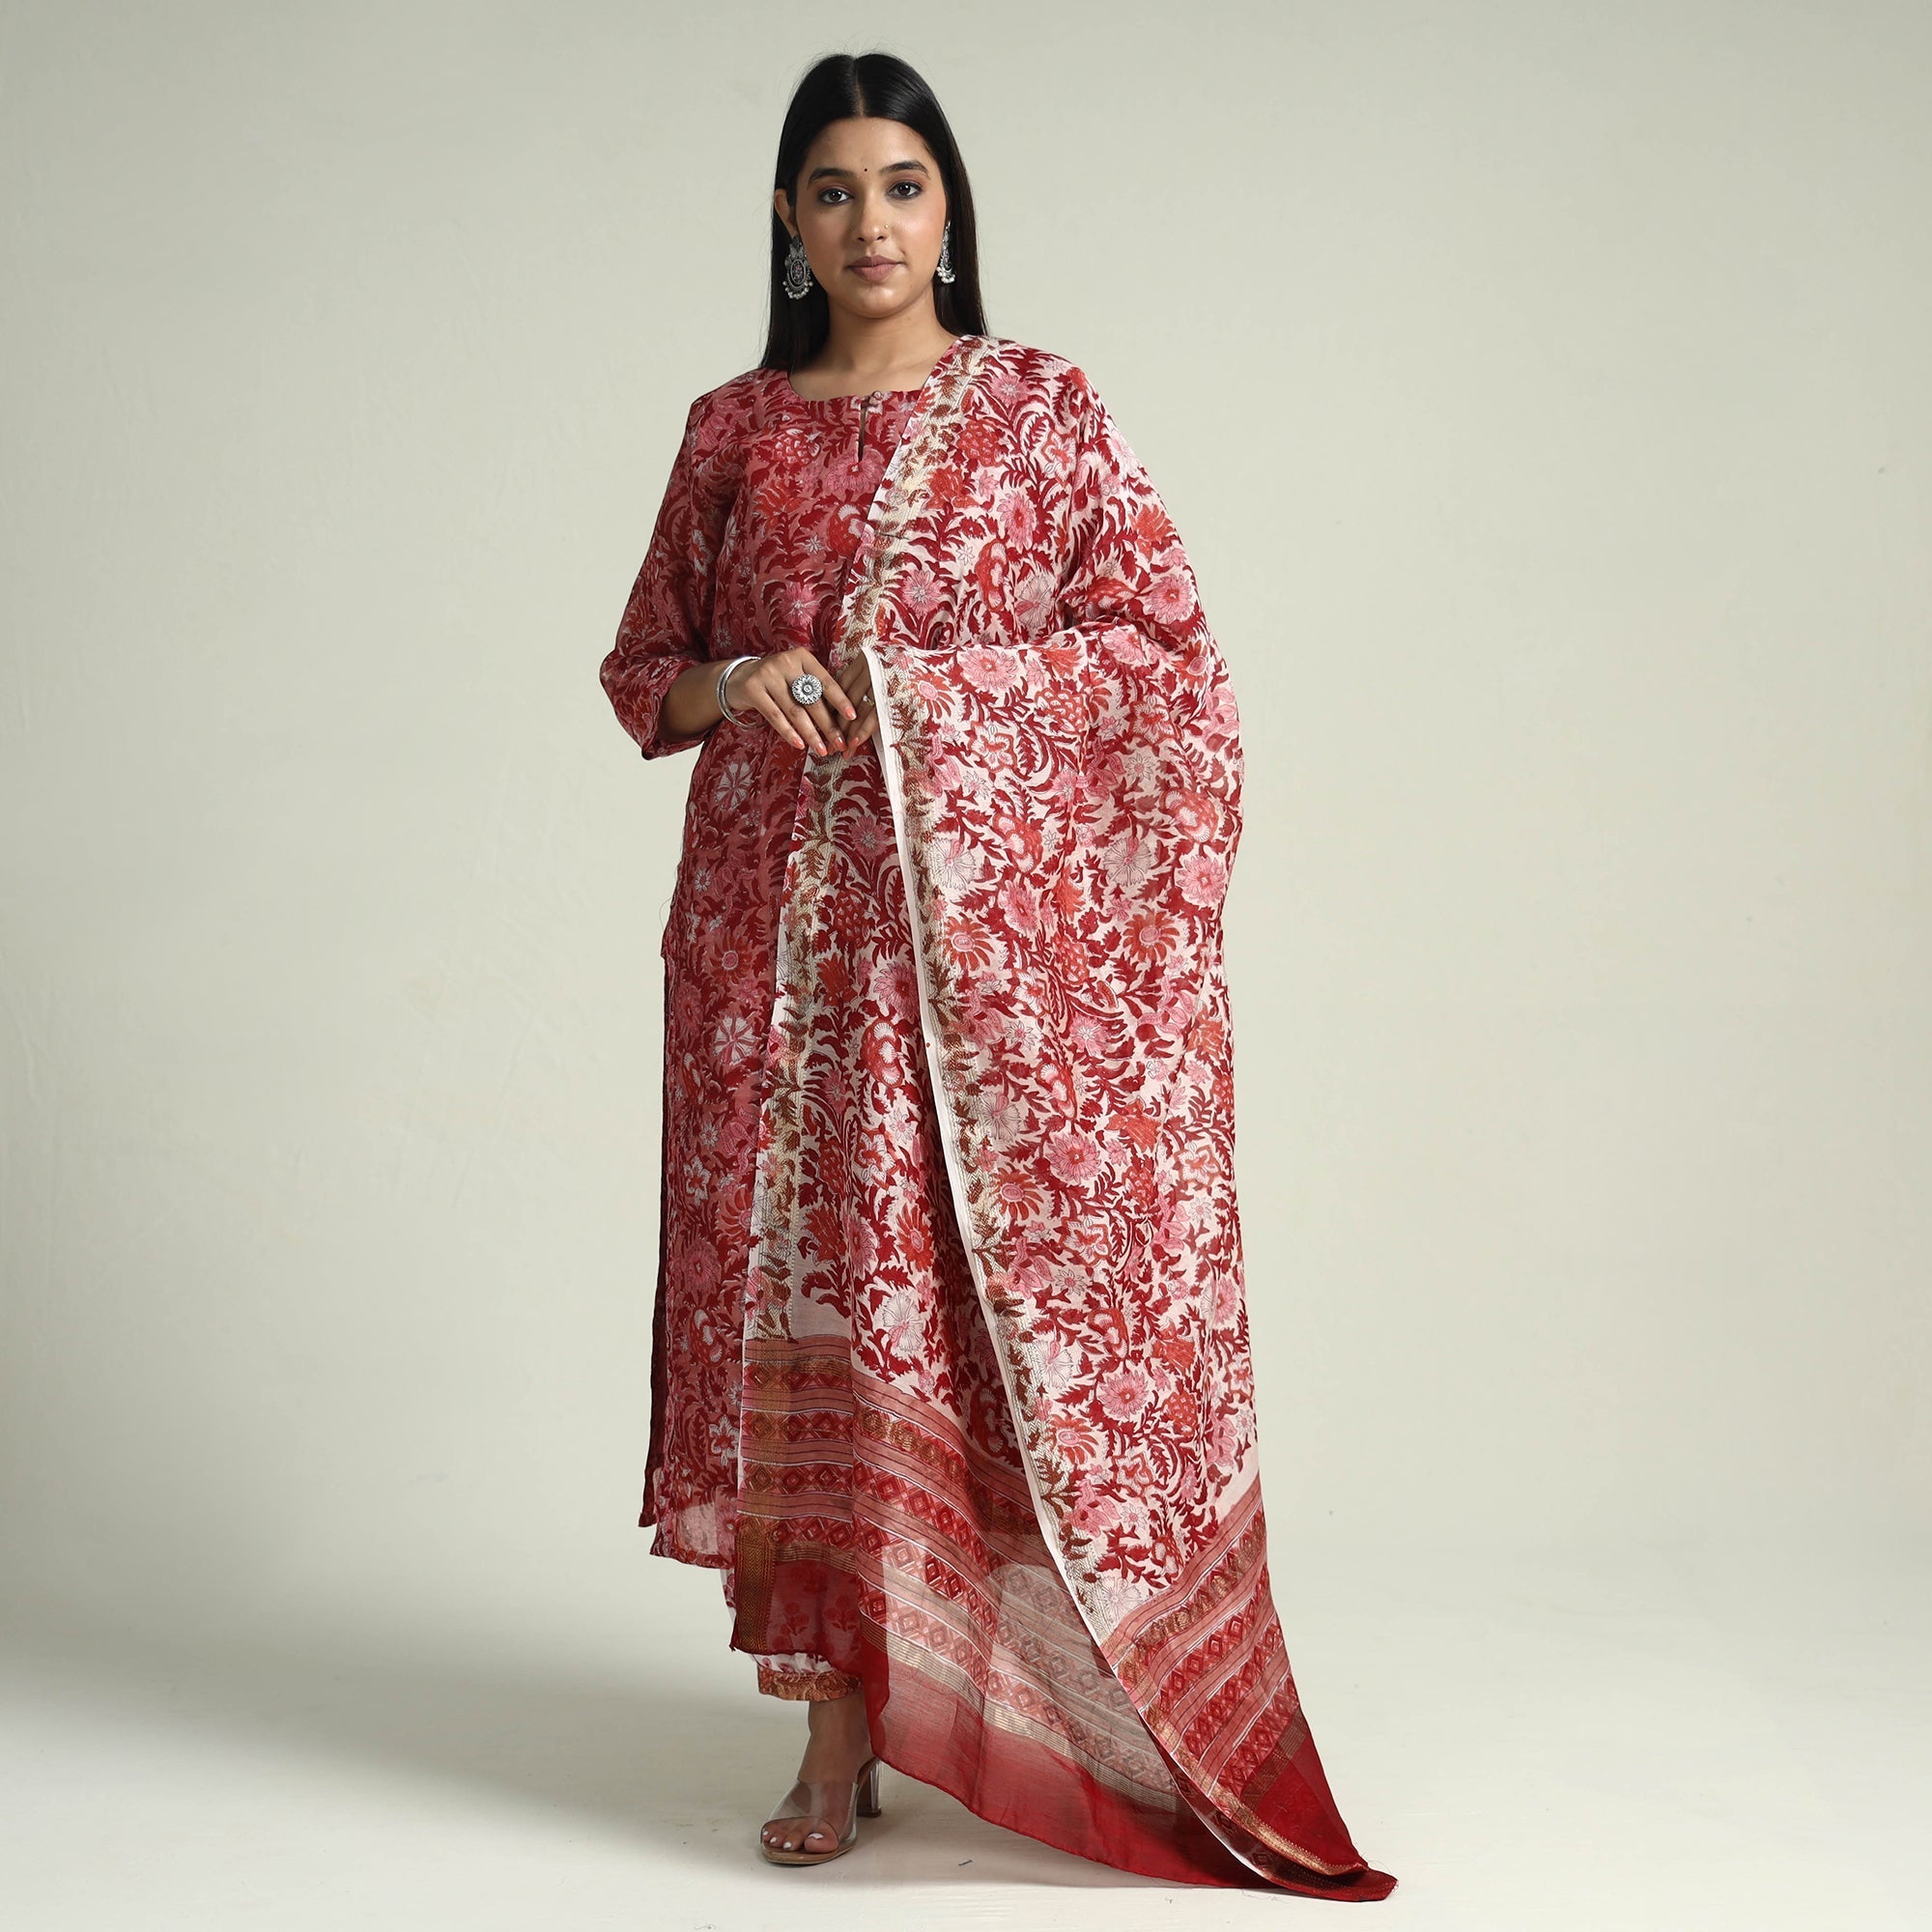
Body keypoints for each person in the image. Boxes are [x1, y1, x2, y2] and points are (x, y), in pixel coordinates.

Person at [598, 49, 1396, 1900]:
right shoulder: (732, 429)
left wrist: (924, 702)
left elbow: (1166, 665)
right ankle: (832, 1723)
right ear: (787, 222)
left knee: (937, 1307)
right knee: (805, 1305)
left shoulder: (1040, 411)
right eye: (832, 190)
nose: (868, 222)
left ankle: (982, 1687)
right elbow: (645, 670)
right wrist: (747, 680)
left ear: (948, 208)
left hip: (967, 979)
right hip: (766, 956)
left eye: (901, 185)